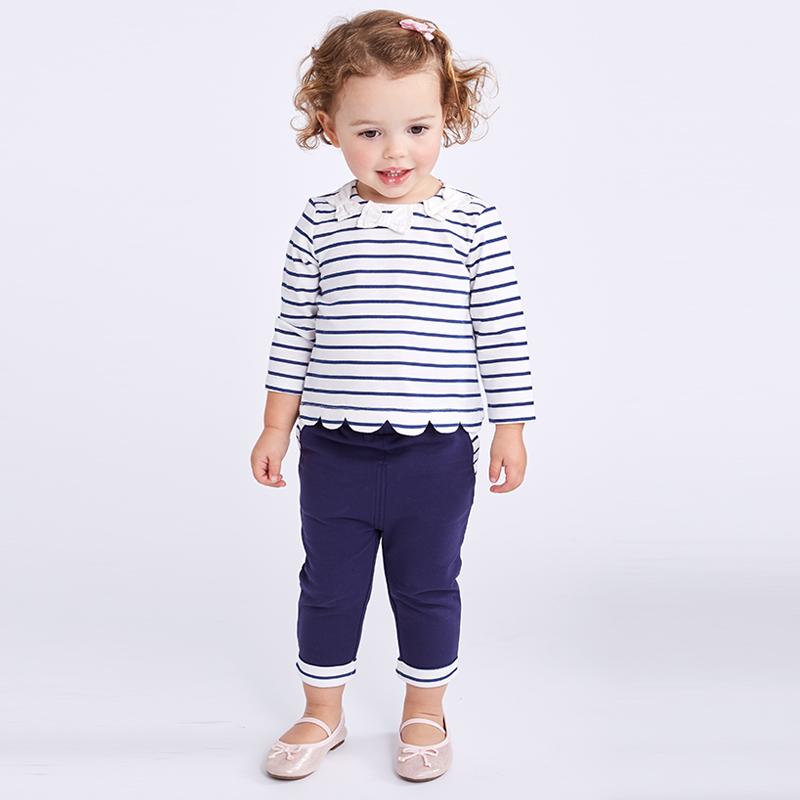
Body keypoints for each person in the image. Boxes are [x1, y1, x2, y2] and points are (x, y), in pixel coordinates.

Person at [250, 10, 536, 782]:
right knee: (328, 585)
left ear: (448, 118)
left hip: (435, 453)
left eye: (417, 128)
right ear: (329, 127)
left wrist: (511, 427)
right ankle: (323, 710)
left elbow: (501, 332)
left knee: (428, 585)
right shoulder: (319, 222)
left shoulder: (473, 224)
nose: (395, 151)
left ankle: (425, 709)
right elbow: (294, 329)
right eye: (369, 132)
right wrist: (275, 426)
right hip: (333, 449)